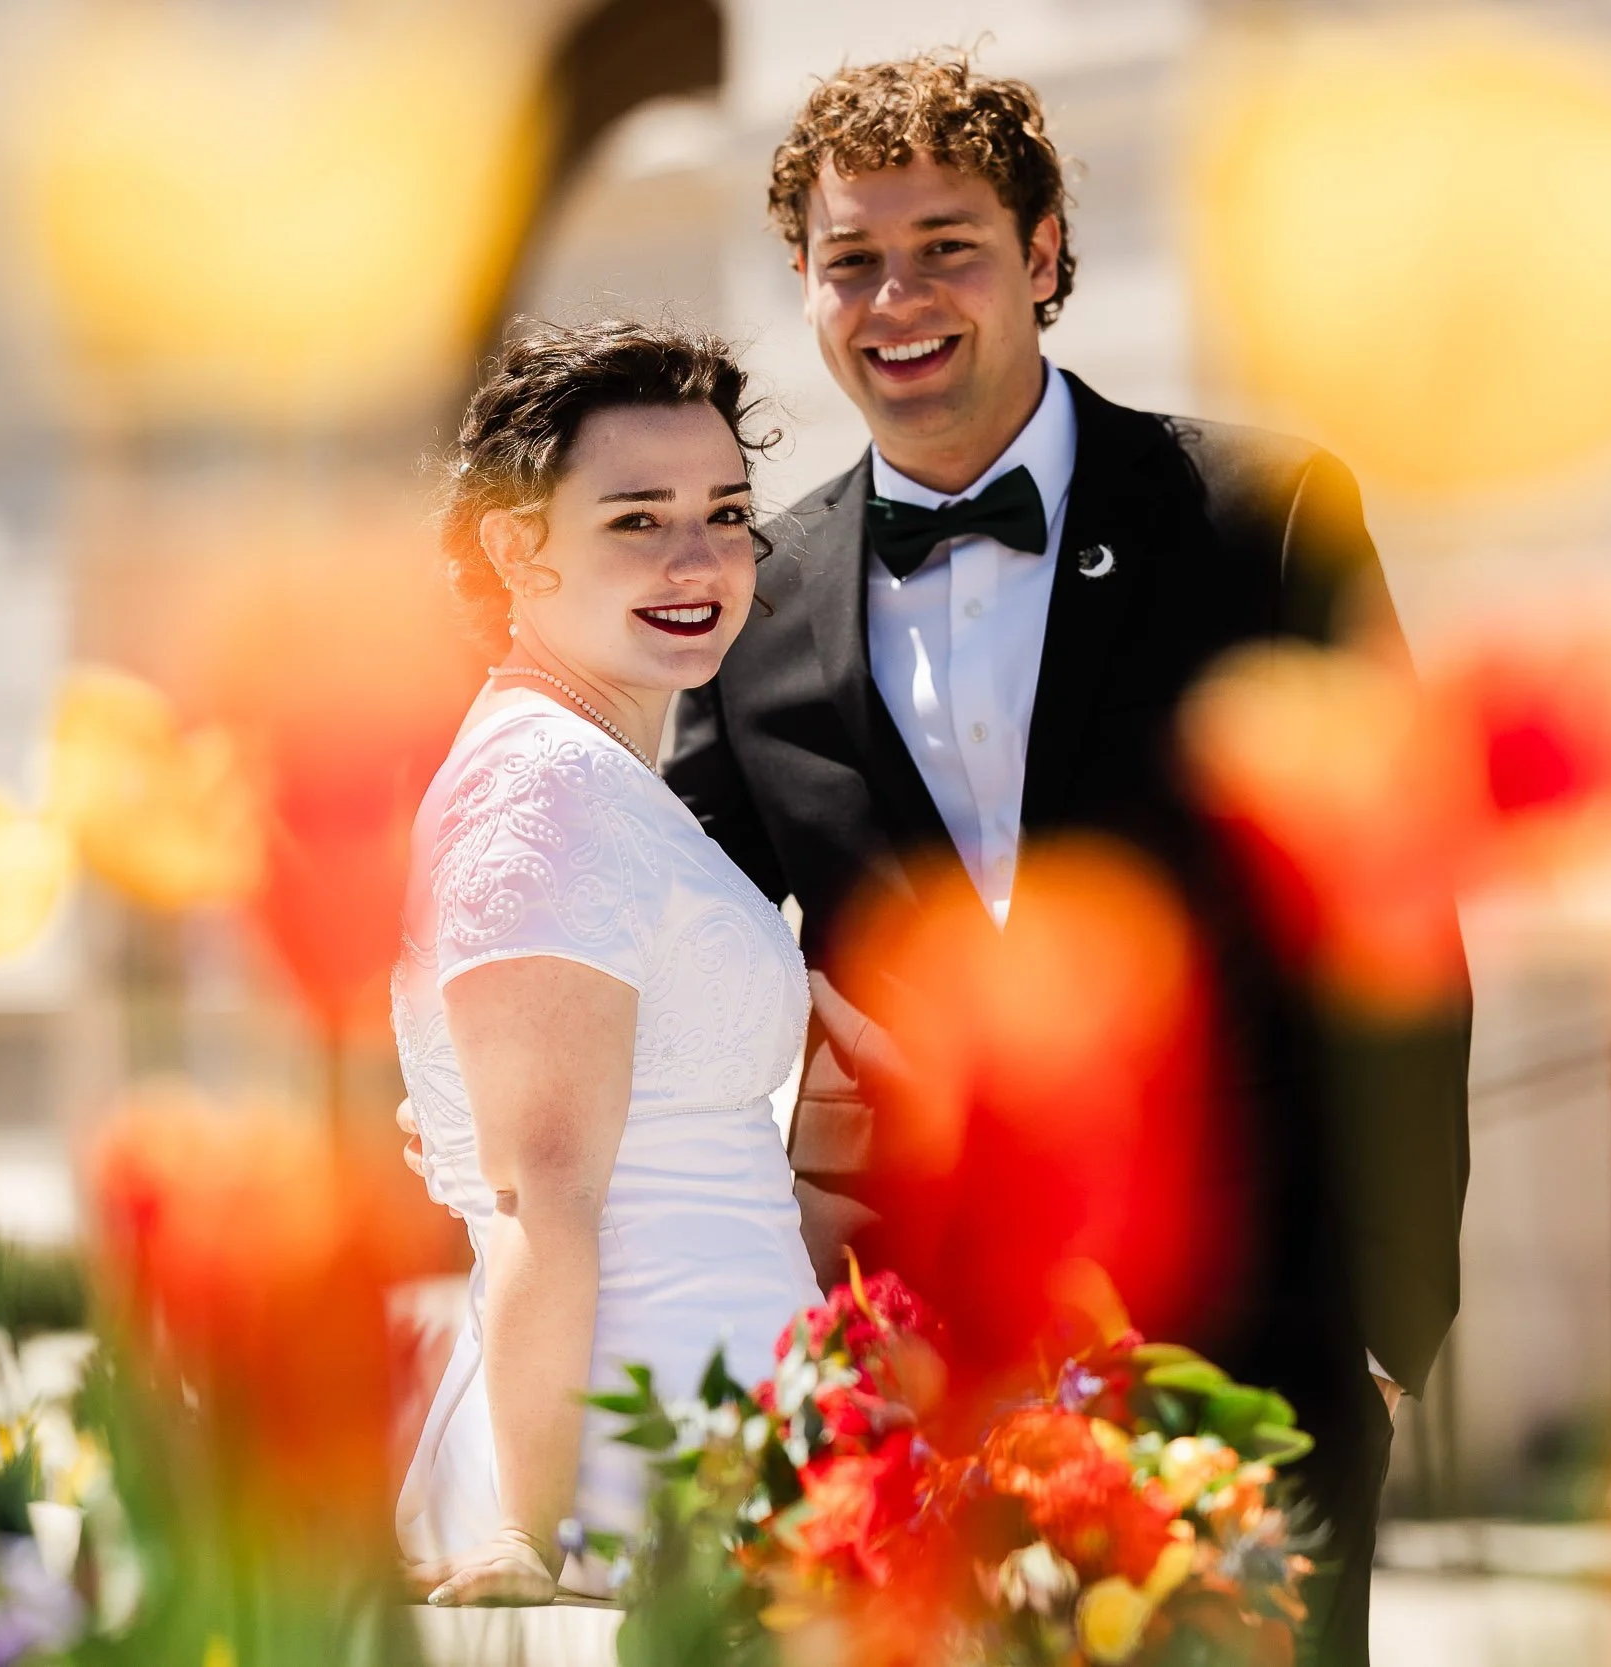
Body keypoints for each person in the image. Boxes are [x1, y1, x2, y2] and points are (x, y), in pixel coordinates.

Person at [658, 55, 1471, 1666]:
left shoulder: (1263, 518)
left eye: (947, 244)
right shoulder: (751, 595)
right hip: (922, 1368)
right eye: (852, 260)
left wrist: (1392, 1322)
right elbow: (685, 925)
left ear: (1041, 255)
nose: (898, 296)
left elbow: (1390, 921)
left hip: (1261, 1330)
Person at [393, 322, 822, 1607]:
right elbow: (542, 1195)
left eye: (726, 512)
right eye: (638, 520)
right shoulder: (544, 788)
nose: (699, 560)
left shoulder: (595, 777)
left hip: (736, 1436)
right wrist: (537, 1528)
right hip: (642, 1478)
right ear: (516, 548)